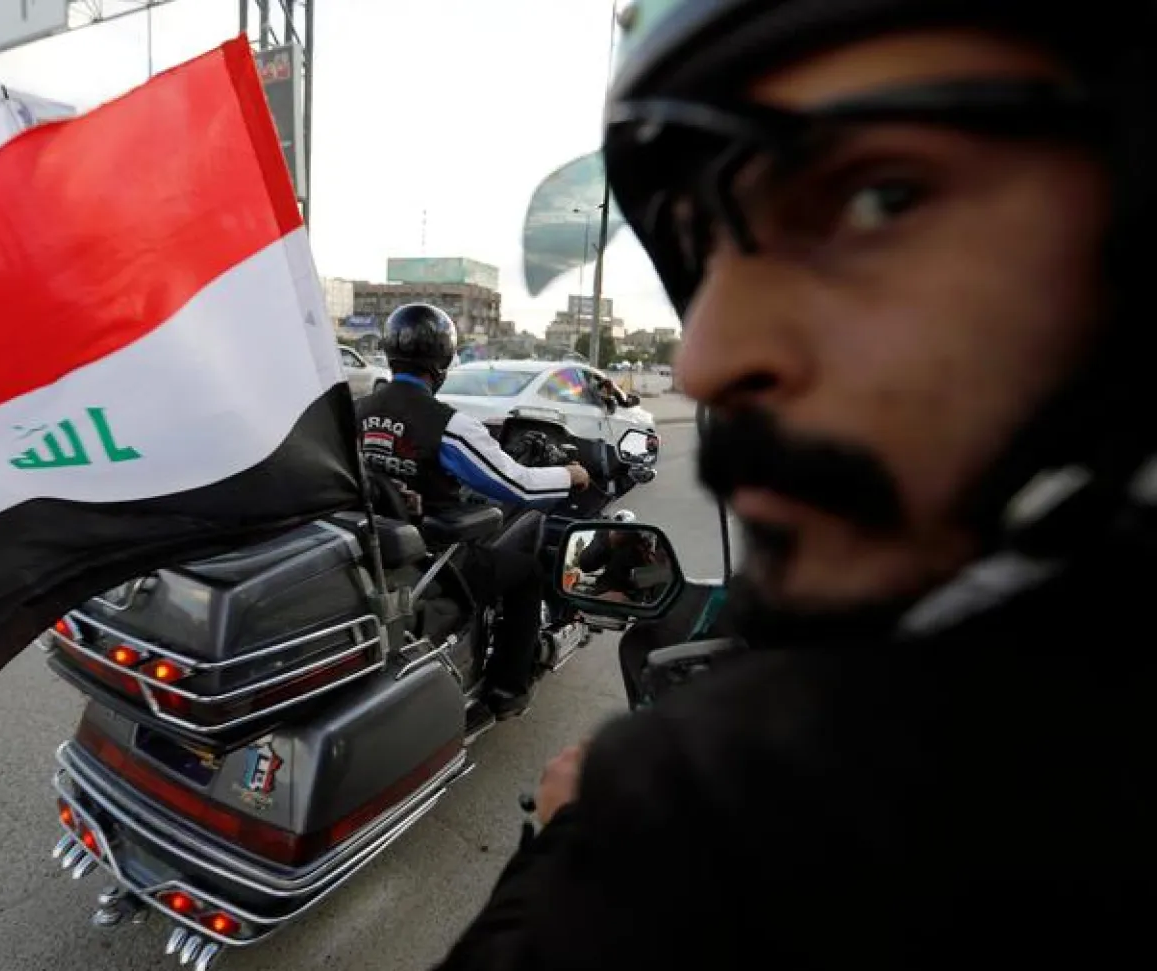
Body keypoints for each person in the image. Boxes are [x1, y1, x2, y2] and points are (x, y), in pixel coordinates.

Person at [435, 0, 1157, 965]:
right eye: (707, 248)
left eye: (880, 199)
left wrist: (578, 834)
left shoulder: (712, 807)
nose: (708, 359)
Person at [357, 303, 591, 717]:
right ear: (444, 359)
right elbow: (517, 484)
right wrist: (568, 474)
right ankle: (507, 687)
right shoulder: (447, 425)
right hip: (438, 559)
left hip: (376, 553)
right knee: (527, 569)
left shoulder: (356, 413)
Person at [574, 528, 668, 602]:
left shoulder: (659, 536)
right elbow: (585, 564)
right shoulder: (611, 529)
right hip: (611, 597)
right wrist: (610, 538)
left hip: (654, 598)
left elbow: (669, 572)